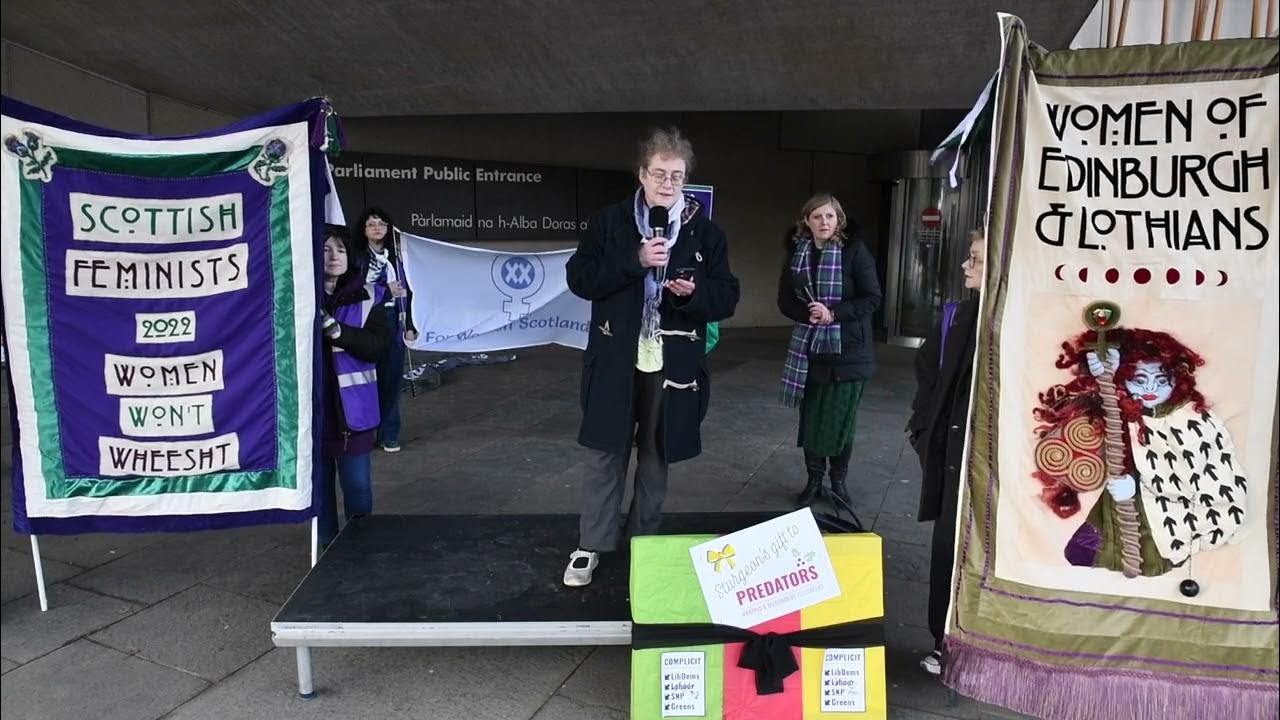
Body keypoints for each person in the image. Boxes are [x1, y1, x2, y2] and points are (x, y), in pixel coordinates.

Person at [561, 127, 740, 587]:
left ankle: (645, 543)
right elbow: (580, 278)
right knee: (605, 452)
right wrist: (635, 259)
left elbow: (727, 296)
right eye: (659, 173)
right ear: (642, 174)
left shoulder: (706, 232)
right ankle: (591, 544)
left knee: (657, 456)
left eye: (676, 175)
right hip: (616, 358)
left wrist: (694, 293)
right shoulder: (609, 222)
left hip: (672, 364)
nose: (667, 183)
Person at [907, 229, 984, 676]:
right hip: (950, 450)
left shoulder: (1011, 320)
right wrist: (922, 428)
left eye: (976, 259)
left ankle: (977, 645)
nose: (965, 266)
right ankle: (944, 640)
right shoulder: (957, 315)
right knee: (948, 546)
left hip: (986, 457)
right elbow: (926, 369)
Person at [777, 194, 882, 508]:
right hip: (810, 351)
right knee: (811, 419)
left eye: (830, 216)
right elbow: (784, 300)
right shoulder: (798, 252)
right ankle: (813, 481)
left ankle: (838, 482)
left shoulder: (854, 251)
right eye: (817, 217)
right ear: (806, 221)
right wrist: (806, 314)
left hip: (849, 352)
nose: (824, 222)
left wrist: (833, 313)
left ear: (839, 220)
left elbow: (872, 298)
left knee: (841, 421)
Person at [318, 224, 390, 547]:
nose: (334, 256)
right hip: (313, 419)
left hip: (354, 418)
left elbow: (377, 346)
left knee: (358, 491)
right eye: (325, 249)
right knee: (320, 498)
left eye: (341, 249)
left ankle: (359, 556)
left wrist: (338, 332)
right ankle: (326, 556)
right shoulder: (298, 300)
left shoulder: (368, 297)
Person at [352, 207, 417, 453]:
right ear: (364, 230)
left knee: (391, 381)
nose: (376, 228)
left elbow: (410, 293)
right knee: (366, 381)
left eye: (381, 224)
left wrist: (410, 325)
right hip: (365, 322)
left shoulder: (397, 258)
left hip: (392, 320)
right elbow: (353, 291)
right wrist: (384, 290)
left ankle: (389, 435)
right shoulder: (357, 258)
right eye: (371, 224)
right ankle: (364, 434)